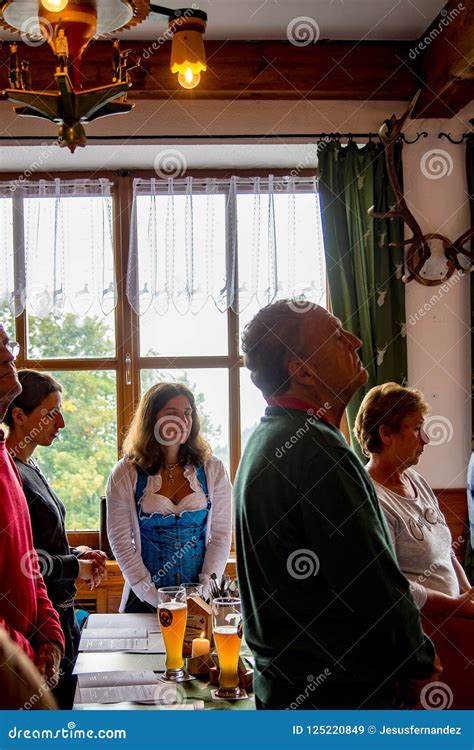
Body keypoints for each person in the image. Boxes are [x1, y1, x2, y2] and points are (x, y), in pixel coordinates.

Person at [234, 300, 438, 710]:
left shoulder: (266, 437)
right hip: (337, 698)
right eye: (336, 333)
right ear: (303, 370)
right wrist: (418, 659)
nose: (355, 340)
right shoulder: (316, 449)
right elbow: (371, 579)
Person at [354, 382, 474, 708]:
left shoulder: (415, 480)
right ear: (386, 434)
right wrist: (457, 606)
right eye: (417, 429)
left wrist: (466, 591)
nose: (426, 438)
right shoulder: (372, 498)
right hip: (418, 637)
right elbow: (391, 588)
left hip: (454, 625)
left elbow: (444, 548)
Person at [3, 369, 107, 707]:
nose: (60, 422)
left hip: (57, 621)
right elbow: (28, 561)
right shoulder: (13, 472)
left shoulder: (29, 466)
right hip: (32, 630)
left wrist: (78, 552)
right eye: (50, 413)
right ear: (19, 416)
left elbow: (44, 545)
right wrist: (75, 567)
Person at [107, 382, 232, 612]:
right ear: (152, 419)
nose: (183, 421)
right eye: (172, 413)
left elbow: (222, 535)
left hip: (200, 602)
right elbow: (121, 543)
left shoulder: (213, 469)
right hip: (144, 600)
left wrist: (202, 591)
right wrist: (155, 597)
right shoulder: (126, 472)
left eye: (187, 413)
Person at [0, 326, 64, 687]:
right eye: (0, 347)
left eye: (9, 344)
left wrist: (51, 636)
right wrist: (28, 655)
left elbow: (28, 564)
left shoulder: (7, 458)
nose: (10, 355)